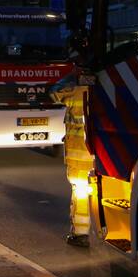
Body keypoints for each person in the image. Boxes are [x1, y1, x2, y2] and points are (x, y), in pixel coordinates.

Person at [50, 72, 93, 247]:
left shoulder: (74, 92)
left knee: (81, 195)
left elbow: (54, 91)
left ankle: (80, 234)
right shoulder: (107, 92)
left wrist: (72, 76)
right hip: (104, 158)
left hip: (79, 158)